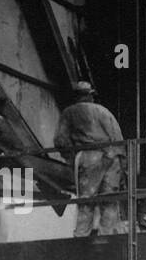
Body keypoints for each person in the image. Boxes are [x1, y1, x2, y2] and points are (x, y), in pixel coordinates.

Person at [54, 81, 126, 237]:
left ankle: (81, 239)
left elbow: (60, 141)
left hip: (88, 158)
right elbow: (119, 139)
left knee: (86, 203)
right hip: (112, 157)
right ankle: (108, 239)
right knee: (110, 202)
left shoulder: (69, 113)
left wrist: (72, 159)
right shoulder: (104, 112)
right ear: (90, 95)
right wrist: (123, 165)